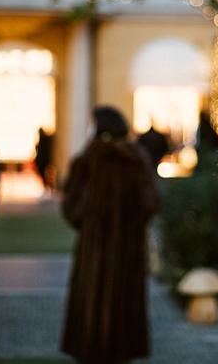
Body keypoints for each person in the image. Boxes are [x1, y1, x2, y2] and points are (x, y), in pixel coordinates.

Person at [61, 107, 159, 364]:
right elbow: (150, 203)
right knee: (124, 307)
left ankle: (90, 348)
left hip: (93, 249)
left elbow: (71, 206)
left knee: (91, 307)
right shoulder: (137, 158)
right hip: (128, 248)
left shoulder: (87, 159)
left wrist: (89, 222)